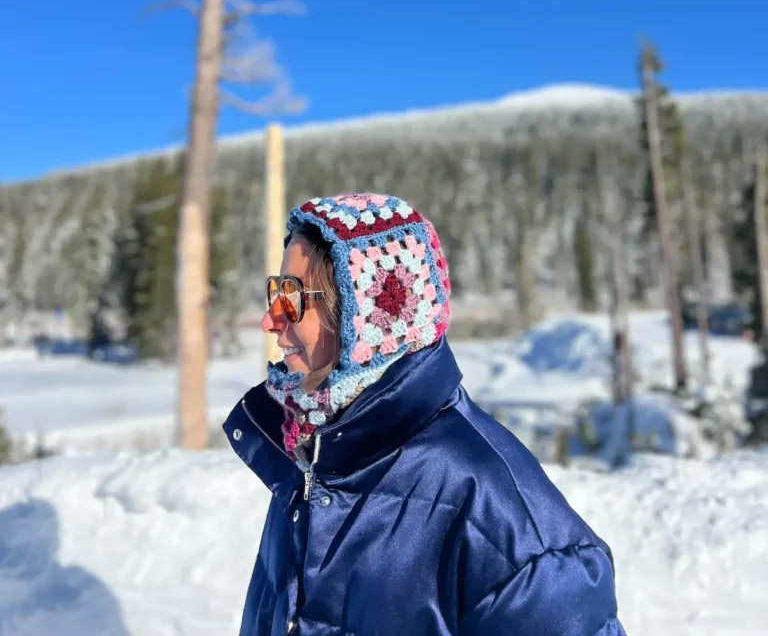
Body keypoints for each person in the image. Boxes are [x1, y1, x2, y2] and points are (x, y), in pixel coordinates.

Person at [225, 194, 626, 636]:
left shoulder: (495, 509)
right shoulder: (315, 456)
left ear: (367, 316)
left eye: (292, 296)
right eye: (275, 290)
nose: (270, 319)